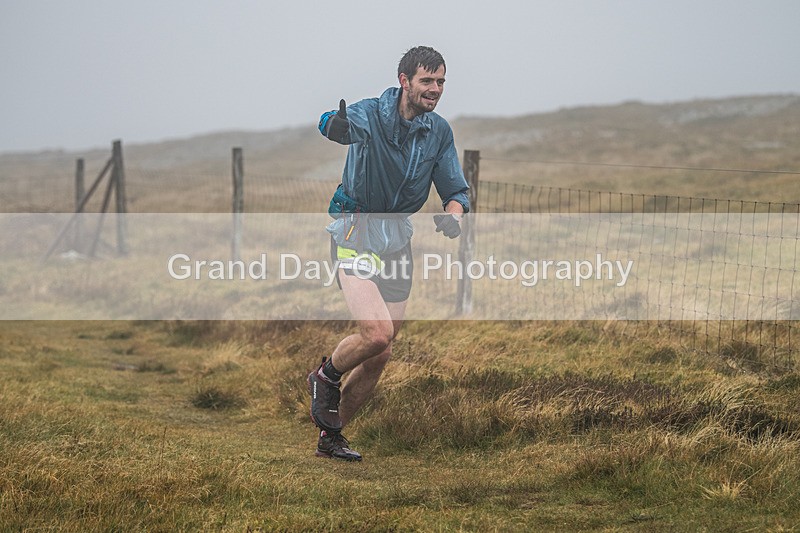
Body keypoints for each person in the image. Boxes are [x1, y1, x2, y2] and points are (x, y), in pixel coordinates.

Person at [308, 46, 470, 461]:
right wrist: (334, 125)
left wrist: (454, 214)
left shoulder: (439, 132)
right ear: (404, 81)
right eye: (426, 81)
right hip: (356, 229)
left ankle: (331, 436)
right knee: (376, 333)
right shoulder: (371, 114)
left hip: (397, 238)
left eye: (441, 82)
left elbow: (455, 189)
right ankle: (325, 376)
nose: (435, 89)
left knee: (382, 350)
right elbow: (330, 123)